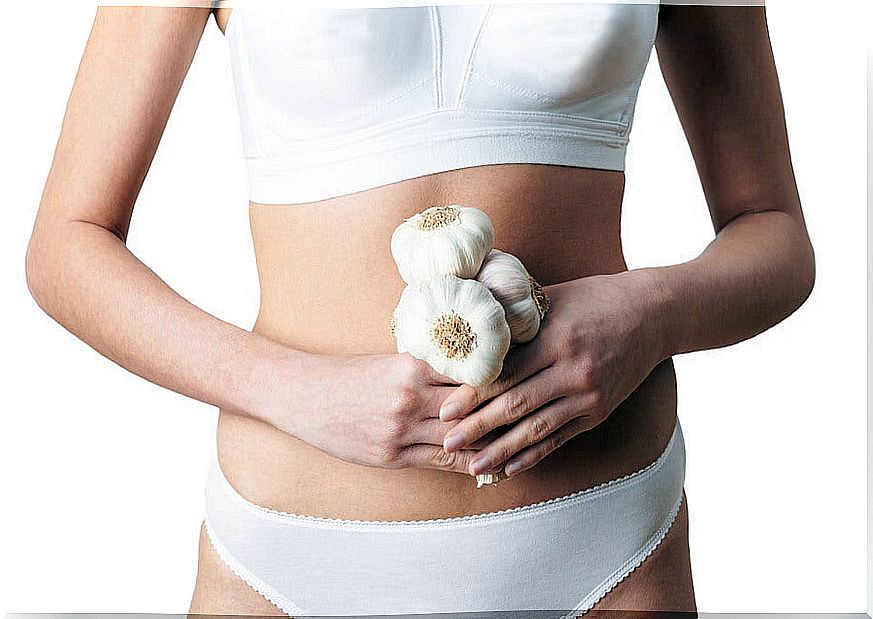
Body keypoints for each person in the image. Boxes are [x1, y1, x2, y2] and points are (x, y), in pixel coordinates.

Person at [25, 2, 815, 616]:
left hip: (605, 553)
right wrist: (296, 391)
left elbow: (774, 234)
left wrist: (646, 312)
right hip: (285, 565)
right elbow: (66, 245)